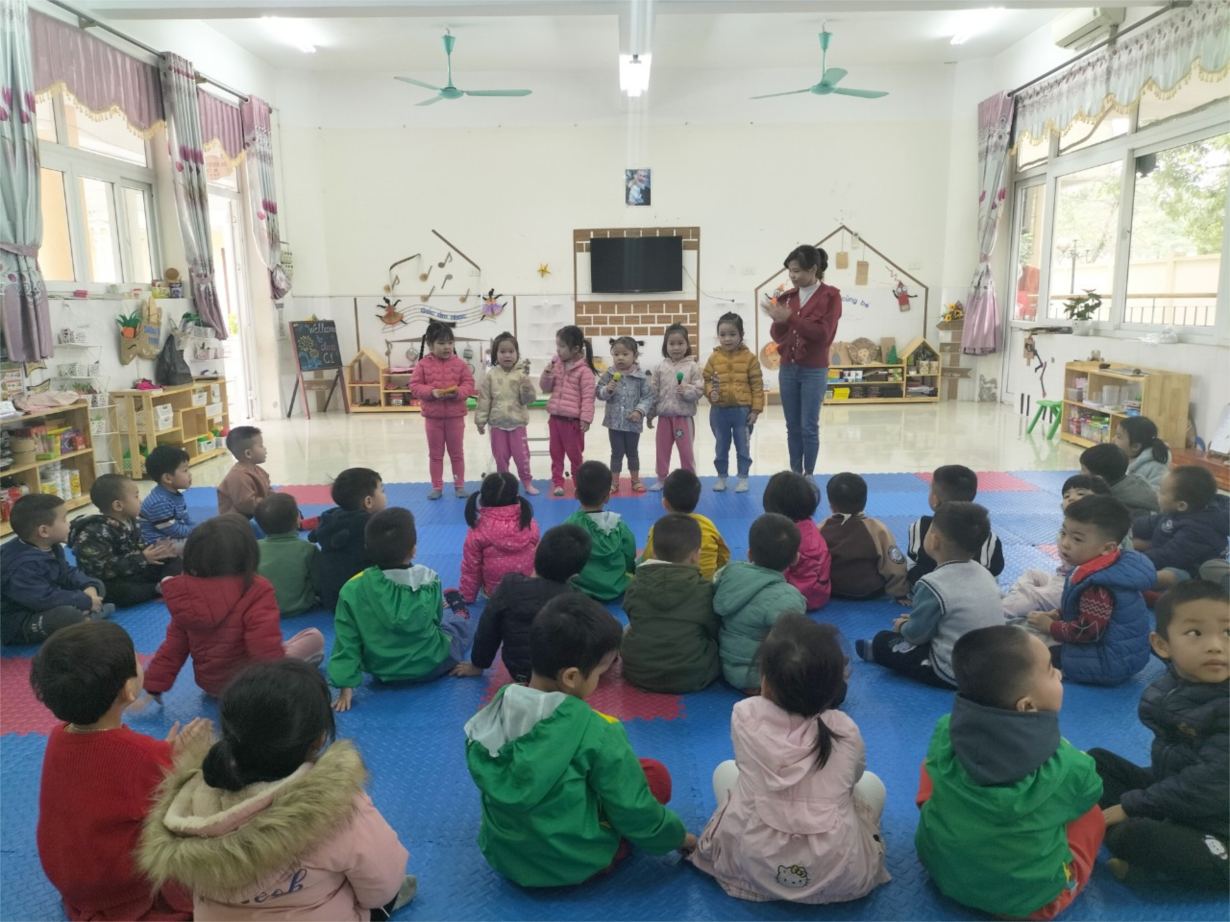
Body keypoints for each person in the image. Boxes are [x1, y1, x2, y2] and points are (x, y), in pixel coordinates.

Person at [138, 660, 416, 921]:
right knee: (383, 891)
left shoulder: (187, 810)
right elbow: (383, 885)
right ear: (319, 739)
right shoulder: (339, 808)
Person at [463, 593, 694, 887]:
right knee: (654, 775)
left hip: (504, 855)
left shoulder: (494, 710)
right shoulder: (599, 730)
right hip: (574, 861)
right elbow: (634, 811)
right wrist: (679, 838)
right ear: (571, 677)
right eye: (601, 671)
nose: (603, 678)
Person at [689, 615, 889, 904]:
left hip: (750, 865)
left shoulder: (745, 715)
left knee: (725, 772)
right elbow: (854, 778)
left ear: (765, 683)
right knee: (871, 785)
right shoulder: (844, 729)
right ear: (835, 687)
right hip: (838, 875)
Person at [915, 626, 1104, 919]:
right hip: (1032, 903)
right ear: (1027, 706)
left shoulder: (945, 728)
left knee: (932, 765)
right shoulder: (1070, 765)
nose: (1059, 674)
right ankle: (1058, 886)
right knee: (1091, 815)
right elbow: (1091, 792)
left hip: (943, 872)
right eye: (1050, 670)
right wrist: (1076, 759)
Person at [31, 621, 207, 922]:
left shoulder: (58, 736)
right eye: (136, 661)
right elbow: (174, 796)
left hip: (66, 875)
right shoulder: (140, 753)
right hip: (117, 884)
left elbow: (114, 776)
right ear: (128, 690)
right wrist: (184, 756)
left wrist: (161, 754)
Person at [1088, 580, 1230, 890]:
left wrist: (1133, 806)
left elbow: (1212, 783)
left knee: (1136, 835)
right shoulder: (1168, 689)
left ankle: (1126, 847)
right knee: (1093, 765)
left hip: (1221, 820)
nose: (1216, 645)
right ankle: (1134, 849)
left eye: (1228, 633)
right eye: (1195, 633)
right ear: (1162, 645)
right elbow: (1179, 763)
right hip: (1180, 795)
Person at [143, 514, 325, 699]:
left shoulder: (187, 595)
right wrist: (273, 690)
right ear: (249, 555)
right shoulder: (256, 588)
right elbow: (263, 644)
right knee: (314, 637)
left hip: (211, 686)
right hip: (250, 687)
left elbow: (173, 647)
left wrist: (155, 684)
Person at [328, 507, 476, 711]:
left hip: (383, 671)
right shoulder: (429, 579)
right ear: (413, 550)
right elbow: (435, 620)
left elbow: (346, 641)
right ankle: (460, 611)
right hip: (430, 665)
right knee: (456, 629)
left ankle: (458, 616)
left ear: (367, 548)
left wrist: (346, 687)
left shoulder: (352, 589)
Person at [858, 502, 1003, 688]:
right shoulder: (984, 573)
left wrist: (903, 626)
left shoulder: (932, 583)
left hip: (954, 672)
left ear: (934, 541)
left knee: (883, 640)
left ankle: (877, 651)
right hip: (991, 667)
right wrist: (917, 620)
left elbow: (916, 635)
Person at [1025, 495, 1156, 686]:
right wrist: (1058, 614)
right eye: (1063, 533)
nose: (1065, 543)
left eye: (1077, 539)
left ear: (1107, 548)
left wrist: (1051, 627)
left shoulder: (1098, 586)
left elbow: (1087, 631)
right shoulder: (1108, 566)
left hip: (1106, 663)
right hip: (1121, 656)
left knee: (1028, 652)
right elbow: (1083, 608)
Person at [451, 523, 592, 683]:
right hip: (561, 678)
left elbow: (488, 628)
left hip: (519, 672)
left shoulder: (509, 586)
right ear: (574, 576)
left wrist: (478, 664)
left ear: (536, 550)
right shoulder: (575, 599)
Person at [761, 245, 842, 479]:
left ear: (813, 269)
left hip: (814, 370)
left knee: (809, 426)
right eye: (790, 271)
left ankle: (809, 475)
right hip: (788, 368)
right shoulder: (788, 297)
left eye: (796, 271)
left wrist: (791, 318)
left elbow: (823, 335)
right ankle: (796, 474)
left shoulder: (831, 296)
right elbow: (778, 337)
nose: (792, 276)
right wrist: (778, 320)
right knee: (793, 427)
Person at [622, 514, 720, 694]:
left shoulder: (635, 585)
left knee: (628, 628)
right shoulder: (704, 590)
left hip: (638, 672)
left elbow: (631, 613)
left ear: (653, 552)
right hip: (692, 676)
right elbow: (714, 629)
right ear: (696, 555)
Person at [713, 513, 807, 693]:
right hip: (761, 676)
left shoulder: (729, 572)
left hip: (723, 665)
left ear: (749, 553)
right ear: (796, 558)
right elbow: (792, 643)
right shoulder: (789, 596)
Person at [0, 494, 112, 646]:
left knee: (97, 584)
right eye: (64, 519)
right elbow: (43, 599)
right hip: (21, 620)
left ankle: (86, 615)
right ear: (44, 531)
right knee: (67, 615)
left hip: (50, 597)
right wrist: (84, 601)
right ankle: (87, 616)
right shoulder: (20, 566)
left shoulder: (51, 545)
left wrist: (88, 588)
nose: (69, 524)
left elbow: (66, 572)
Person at [1002, 474, 1111, 621]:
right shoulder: (1069, 525)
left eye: (1081, 494)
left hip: (1078, 587)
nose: (1072, 498)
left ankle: (997, 612)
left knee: (1033, 596)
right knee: (1032, 574)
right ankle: (1016, 602)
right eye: (1067, 496)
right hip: (1064, 577)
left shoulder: (1106, 532)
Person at [68, 473, 179, 608]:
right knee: (124, 592)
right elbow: (102, 569)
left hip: (132, 568)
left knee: (172, 558)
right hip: (110, 578)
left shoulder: (131, 521)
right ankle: (156, 589)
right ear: (118, 505)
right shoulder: (95, 532)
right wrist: (142, 558)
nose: (140, 501)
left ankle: (167, 582)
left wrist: (153, 552)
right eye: (136, 496)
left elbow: (137, 546)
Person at [1133, 466, 1230, 591]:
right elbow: (1150, 523)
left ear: (1181, 505)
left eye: (1162, 492)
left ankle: (1137, 582)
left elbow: (1168, 556)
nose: (1157, 493)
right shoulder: (1178, 512)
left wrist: (1135, 562)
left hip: (1192, 572)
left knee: (1168, 575)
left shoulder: (1200, 529)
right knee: (1133, 542)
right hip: (1169, 550)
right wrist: (1127, 527)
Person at [409, 321, 476, 499]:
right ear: (430, 345)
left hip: (455, 417)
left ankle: (459, 485)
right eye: (441, 343)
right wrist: (430, 392)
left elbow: (469, 383)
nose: (447, 347)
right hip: (433, 418)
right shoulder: (423, 365)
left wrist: (458, 393)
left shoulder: (460, 364)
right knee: (435, 455)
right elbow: (414, 385)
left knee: (457, 453)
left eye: (450, 342)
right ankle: (437, 487)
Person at [907, 465, 1004, 586]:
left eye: (930, 489)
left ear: (935, 500)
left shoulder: (921, 527)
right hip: (975, 591)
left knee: (905, 563)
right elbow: (995, 569)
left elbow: (913, 557)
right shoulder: (988, 537)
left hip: (928, 588)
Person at [820, 472, 909, 602]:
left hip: (832, 589)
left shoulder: (821, 529)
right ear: (865, 501)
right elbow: (895, 566)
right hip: (868, 591)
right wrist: (900, 592)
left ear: (831, 505)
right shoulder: (877, 529)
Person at [309, 467, 386, 612]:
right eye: (382, 491)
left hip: (332, 600)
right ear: (368, 501)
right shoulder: (373, 526)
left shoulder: (330, 519)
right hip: (363, 601)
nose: (385, 495)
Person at [702, 312, 762, 493]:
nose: (727, 339)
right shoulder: (714, 358)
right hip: (719, 411)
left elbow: (757, 385)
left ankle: (743, 478)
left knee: (743, 447)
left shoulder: (750, 358)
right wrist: (710, 392)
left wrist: (756, 410)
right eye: (722, 334)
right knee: (721, 446)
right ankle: (722, 478)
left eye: (732, 334)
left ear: (741, 334)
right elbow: (706, 380)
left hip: (743, 412)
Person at [475, 331, 539, 494]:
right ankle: (503, 485)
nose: (507, 355)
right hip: (497, 424)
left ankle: (527, 482)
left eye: (511, 351)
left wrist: (527, 389)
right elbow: (484, 400)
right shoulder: (491, 376)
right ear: (496, 354)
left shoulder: (521, 374)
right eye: (502, 352)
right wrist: (480, 421)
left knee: (522, 457)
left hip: (517, 423)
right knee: (501, 458)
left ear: (517, 353)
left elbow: (528, 400)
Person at [460, 472, 539, 602]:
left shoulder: (478, 528)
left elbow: (471, 568)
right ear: (516, 496)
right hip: (529, 591)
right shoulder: (529, 522)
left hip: (496, 595)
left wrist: (466, 597)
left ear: (482, 498)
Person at [564, 460, 637, 601]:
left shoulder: (569, 525)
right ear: (608, 497)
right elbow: (630, 552)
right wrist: (629, 570)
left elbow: (563, 558)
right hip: (617, 586)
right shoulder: (618, 525)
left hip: (581, 588)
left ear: (576, 493)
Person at [639, 469, 730, 579]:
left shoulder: (658, 529)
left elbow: (646, 559)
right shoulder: (708, 524)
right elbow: (724, 554)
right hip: (707, 583)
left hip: (668, 583)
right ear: (698, 499)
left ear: (664, 502)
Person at [539, 324, 597, 496]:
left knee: (575, 455)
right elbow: (545, 388)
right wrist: (547, 374)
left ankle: (579, 483)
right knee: (555, 454)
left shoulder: (584, 371)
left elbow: (588, 397)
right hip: (555, 419)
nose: (558, 350)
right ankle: (558, 483)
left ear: (576, 349)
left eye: (562, 346)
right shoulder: (556, 366)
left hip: (572, 422)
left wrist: (586, 418)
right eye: (557, 345)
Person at [763, 470, 831, 611]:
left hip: (797, 598)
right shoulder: (809, 524)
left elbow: (776, 572)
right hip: (821, 592)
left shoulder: (784, 536)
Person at [647, 322, 704, 489]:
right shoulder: (660, 366)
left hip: (683, 418)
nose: (676, 347)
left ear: (687, 345)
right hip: (664, 417)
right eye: (672, 343)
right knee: (662, 449)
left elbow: (700, 389)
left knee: (686, 451)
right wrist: (650, 413)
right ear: (666, 346)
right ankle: (662, 478)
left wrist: (687, 390)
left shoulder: (692, 366)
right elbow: (654, 391)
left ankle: (689, 479)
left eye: (680, 343)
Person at [597, 336, 656, 493]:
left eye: (625, 354)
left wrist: (639, 411)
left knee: (632, 453)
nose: (620, 358)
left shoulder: (641, 377)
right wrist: (607, 390)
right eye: (616, 354)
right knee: (616, 453)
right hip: (614, 422)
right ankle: (614, 482)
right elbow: (599, 392)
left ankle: (635, 480)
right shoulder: (609, 374)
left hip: (633, 423)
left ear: (635, 356)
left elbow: (648, 396)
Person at [255, 493, 320, 616]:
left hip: (265, 608)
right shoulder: (308, 549)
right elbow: (318, 582)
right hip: (301, 607)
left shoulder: (254, 548)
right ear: (297, 520)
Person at [139, 446, 196, 551]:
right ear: (167, 478)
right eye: (185, 470)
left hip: (170, 537)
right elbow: (175, 531)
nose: (190, 474)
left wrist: (197, 528)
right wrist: (195, 531)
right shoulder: (160, 502)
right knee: (201, 544)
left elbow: (185, 517)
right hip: (157, 545)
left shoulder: (174, 494)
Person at [1080, 443, 1158, 519]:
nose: (1080, 473)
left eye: (1083, 469)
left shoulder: (1118, 508)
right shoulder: (1128, 483)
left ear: (1098, 479)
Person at [216, 425, 271, 520]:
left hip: (256, 513)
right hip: (236, 521)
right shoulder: (238, 476)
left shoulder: (259, 471)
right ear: (248, 453)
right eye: (261, 445)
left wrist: (276, 500)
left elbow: (268, 490)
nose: (265, 448)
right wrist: (269, 505)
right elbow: (246, 505)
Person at [1112, 416, 1172, 492]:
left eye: (1119, 437)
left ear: (1135, 446)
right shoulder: (1119, 458)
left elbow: (1156, 494)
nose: (1113, 439)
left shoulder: (1156, 468)